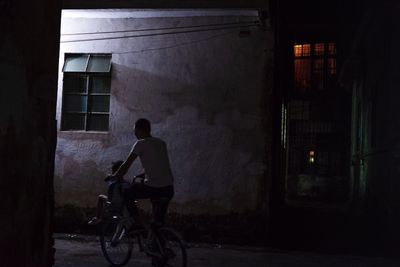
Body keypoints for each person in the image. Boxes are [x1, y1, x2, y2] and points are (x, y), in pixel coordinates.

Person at [111, 118, 174, 229]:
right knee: (158, 222)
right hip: (168, 188)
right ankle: (159, 245)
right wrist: (143, 174)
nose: (135, 133)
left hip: (154, 188)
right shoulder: (161, 143)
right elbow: (157, 164)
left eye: (135, 130)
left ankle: (136, 222)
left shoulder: (140, 143)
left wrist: (115, 175)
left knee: (127, 193)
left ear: (140, 130)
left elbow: (126, 164)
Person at [88, 160, 129, 225]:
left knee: (101, 197)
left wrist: (111, 177)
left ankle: (98, 217)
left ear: (115, 171)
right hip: (124, 207)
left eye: (113, 170)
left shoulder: (113, 183)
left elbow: (110, 195)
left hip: (112, 205)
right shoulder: (127, 183)